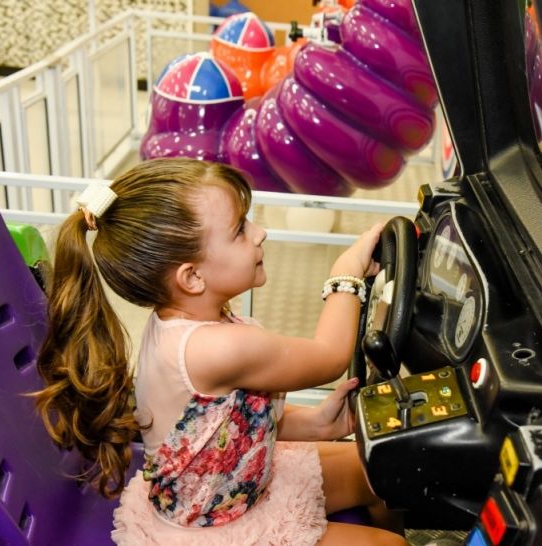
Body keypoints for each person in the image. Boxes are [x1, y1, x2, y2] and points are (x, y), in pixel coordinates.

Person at [34, 158, 407, 545]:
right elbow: (329, 357)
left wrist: (315, 423)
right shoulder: (215, 348)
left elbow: (230, 424)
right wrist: (346, 273)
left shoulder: (189, 323)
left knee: (382, 468)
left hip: (233, 486)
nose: (260, 233)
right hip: (219, 529)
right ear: (192, 277)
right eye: (240, 230)